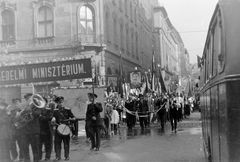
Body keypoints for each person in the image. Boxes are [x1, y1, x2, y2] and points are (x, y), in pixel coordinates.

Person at [52, 96, 76, 161]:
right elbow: (52, 118)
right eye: (59, 103)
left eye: (62, 102)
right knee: (57, 143)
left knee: (66, 143)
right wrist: (53, 119)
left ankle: (67, 156)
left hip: (66, 129)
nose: (61, 104)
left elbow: (73, 117)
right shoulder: (55, 111)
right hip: (58, 129)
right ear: (57, 103)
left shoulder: (67, 110)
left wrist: (72, 118)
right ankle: (58, 156)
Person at [20, 93, 42, 162]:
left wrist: (30, 110)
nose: (29, 100)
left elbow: (37, 115)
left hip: (34, 131)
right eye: (27, 99)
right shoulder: (24, 108)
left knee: (35, 149)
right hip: (25, 131)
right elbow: (21, 118)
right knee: (25, 148)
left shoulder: (38, 107)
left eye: (30, 99)